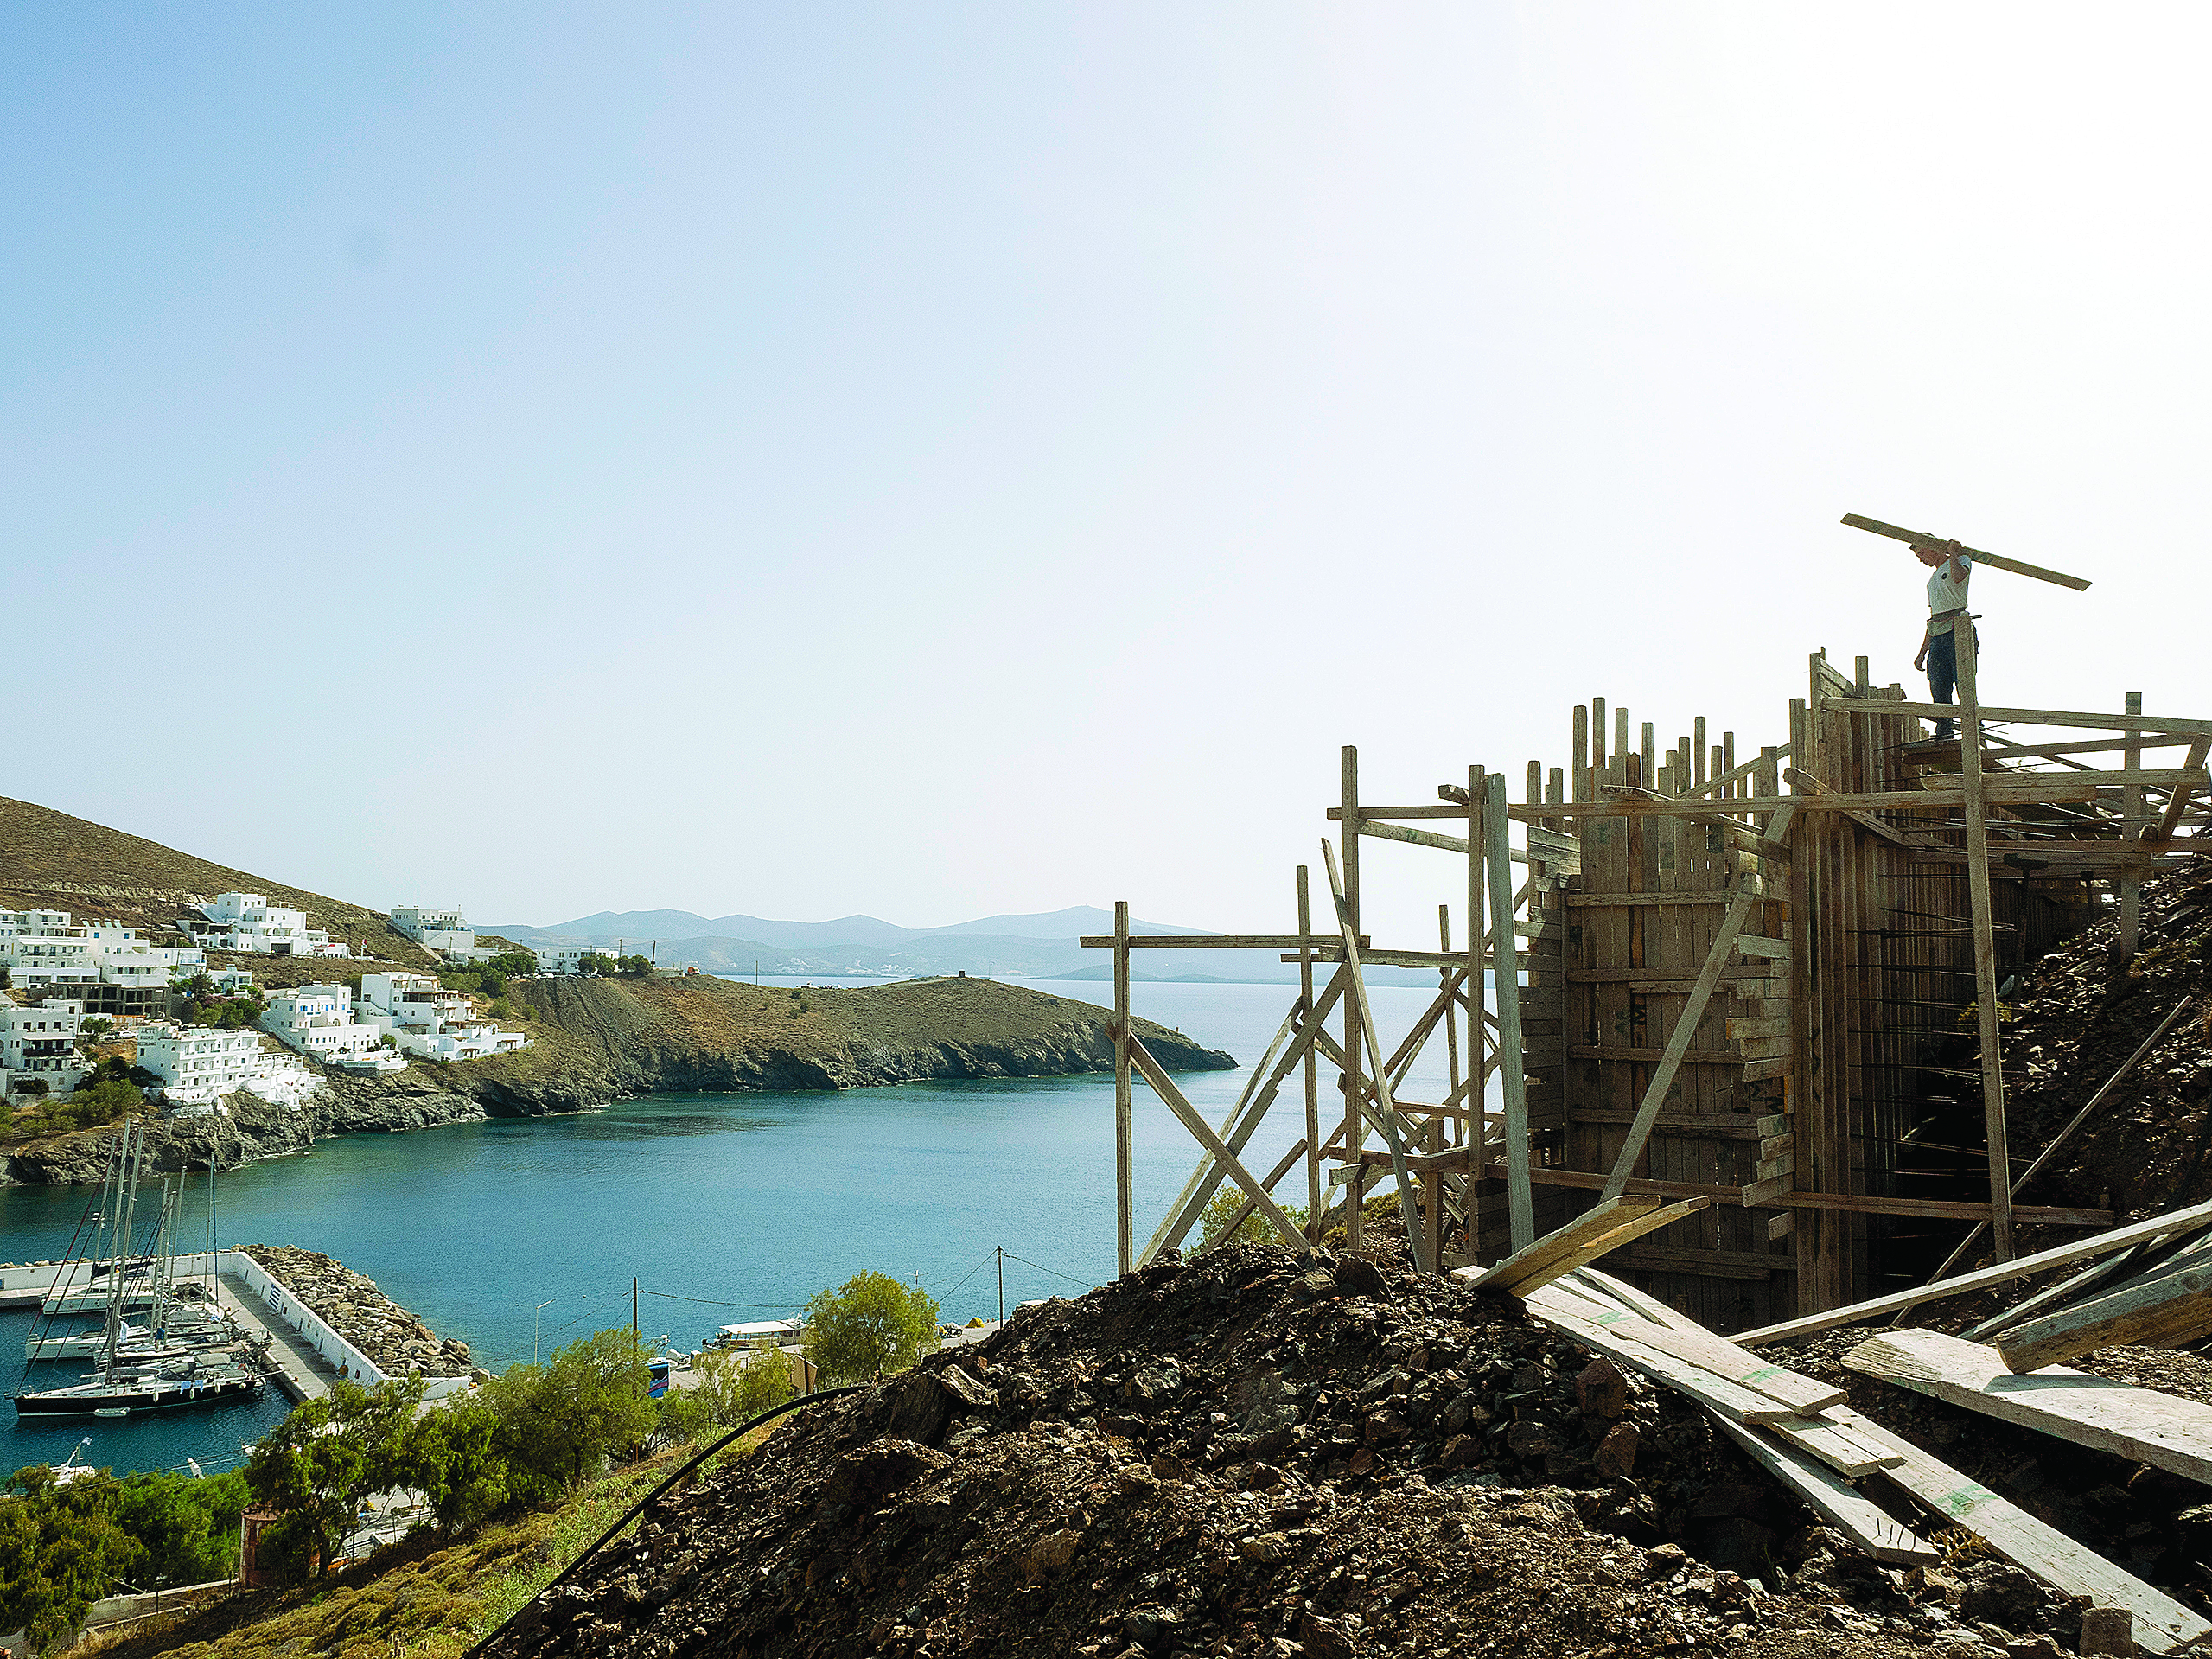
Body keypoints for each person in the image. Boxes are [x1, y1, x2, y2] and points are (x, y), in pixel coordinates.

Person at [1910, 538, 1976, 741]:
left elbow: (1958, 578)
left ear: (1933, 548)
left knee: (1963, 682)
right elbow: (1933, 618)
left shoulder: (1960, 561)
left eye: (1922, 553)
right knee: (1938, 684)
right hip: (1938, 633)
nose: (1921, 560)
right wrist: (1922, 652)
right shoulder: (1932, 581)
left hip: (1958, 630)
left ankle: (1974, 729)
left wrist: (1953, 553)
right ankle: (1944, 731)